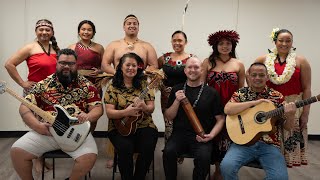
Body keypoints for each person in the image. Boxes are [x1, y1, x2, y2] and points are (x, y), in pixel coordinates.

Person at [10, 48, 103, 180]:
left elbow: (98, 108)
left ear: (76, 65)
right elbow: (24, 107)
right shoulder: (43, 85)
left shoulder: (87, 85)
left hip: (76, 132)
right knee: (17, 152)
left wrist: (88, 116)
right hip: (48, 132)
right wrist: (37, 126)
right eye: (62, 63)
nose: (66, 66)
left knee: (89, 157)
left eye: (71, 64)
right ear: (57, 63)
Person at [220, 62, 297, 180]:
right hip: (243, 143)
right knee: (226, 167)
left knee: (280, 178)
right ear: (249, 76)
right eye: (254, 75)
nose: (257, 78)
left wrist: (291, 115)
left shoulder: (276, 97)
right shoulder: (241, 93)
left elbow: (288, 127)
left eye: (261, 75)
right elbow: (228, 109)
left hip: (269, 145)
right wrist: (255, 103)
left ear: (267, 77)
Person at [101, 14, 158, 168]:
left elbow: (154, 66)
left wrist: (138, 75)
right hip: (118, 84)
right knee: (121, 134)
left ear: (138, 26)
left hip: (140, 85)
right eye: (129, 23)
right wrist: (120, 75)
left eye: (135, 23)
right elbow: (105, 64)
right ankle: (118, 156)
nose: (132, 25)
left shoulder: (147, 46)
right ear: (124, 26)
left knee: (146, 141)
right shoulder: (114, 44)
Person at [5, 19, 60, 173]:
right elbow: (9, 64)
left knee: (49, 124)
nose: (44, 32)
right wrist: (22, 83)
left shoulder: (56, 48)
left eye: (47, 29)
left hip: (52, 93)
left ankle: (43, 156)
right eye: (41, 29)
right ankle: (37, 159)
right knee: (37, 125)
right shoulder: (30, 47)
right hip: (34, 92)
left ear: (52, 32)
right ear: (36, 31)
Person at [255, 28, 311, 167]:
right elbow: (252, 80)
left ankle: (280, 172)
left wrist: (305, 114)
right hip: (269, 107)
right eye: (281, 40)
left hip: (293, 107)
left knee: (288, 142)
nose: (284, 44)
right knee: (267, 141)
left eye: (288, 41)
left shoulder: (301, 61)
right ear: (275, 41)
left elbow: (307, 88)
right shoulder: (263, 59)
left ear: (292, 42)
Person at [162, 57, 225, 180]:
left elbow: (220, 119)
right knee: (168, 152)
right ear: (185, 71)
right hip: (179, 135)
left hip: (202, 136)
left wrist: (211, 136)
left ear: (202, 70)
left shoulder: (212, 93)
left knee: (203, 158)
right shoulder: (177, 89)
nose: (193, 70)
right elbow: (169, 116)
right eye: (189, 67)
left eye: (196, 67)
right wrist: (176, 101)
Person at [104, 52, 158, 180]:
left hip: (144, 124)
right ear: (121, 67)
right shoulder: (113, 86)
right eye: (127, 65)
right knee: (125, 148)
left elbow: (151, 109)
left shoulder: (145, 85)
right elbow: (109, 112)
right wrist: (125, 112)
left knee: (148, 145)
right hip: (119, 127)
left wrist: (144, 107)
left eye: (134, 65)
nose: (131, 68)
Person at [201, 30, 245, 180]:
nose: (225, 46)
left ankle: (225, 169)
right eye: (221, 43)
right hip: (211, 107)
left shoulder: (239, 64)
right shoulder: (207, 62)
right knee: (214, 138)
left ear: (233, 45)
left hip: (231, 107)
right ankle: (215, 170)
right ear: (215, 45)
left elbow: (241, 90)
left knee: (227, 139)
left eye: (228, 43)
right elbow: (201, 87)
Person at [158, 30, 194, 143]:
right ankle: (169, 149)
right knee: (168, 123)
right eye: (174, 40)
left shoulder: (191, 58)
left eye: (180, 40)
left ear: (186, 42)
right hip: (167, 96)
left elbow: (197, 76)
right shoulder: (164, 58)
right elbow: (155, 70)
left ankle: (182, 149)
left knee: (183, 121)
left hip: (185, 95)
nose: (177, 43)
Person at [68, 20, 105, 132]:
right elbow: (66, 66)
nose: (86, 32)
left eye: (89, 30)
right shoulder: (71, 47)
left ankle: (90, 135)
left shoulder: (99, 48)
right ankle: (75, 136)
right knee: (76, 109)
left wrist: (99, 71)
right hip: (75, 84)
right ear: (79, 32)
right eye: (83, 29)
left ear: (93, 32)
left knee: (94, 110)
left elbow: (105, 66)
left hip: (95, 84)